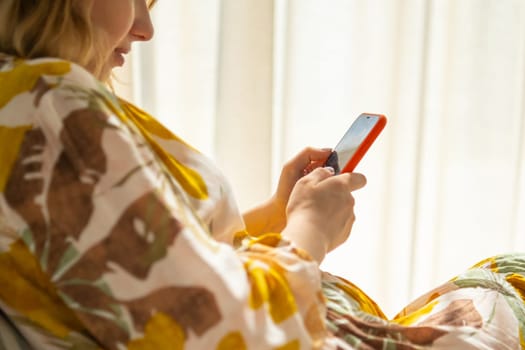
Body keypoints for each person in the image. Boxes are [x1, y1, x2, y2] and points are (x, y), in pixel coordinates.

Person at [0, 1, 523, 349]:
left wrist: (278, 212)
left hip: (327, 326)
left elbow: (151, 262)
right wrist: (310, 231)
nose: (145, 27)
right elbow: (226, 329)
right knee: (514, 272)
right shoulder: (47, 106)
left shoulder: (28, 106)